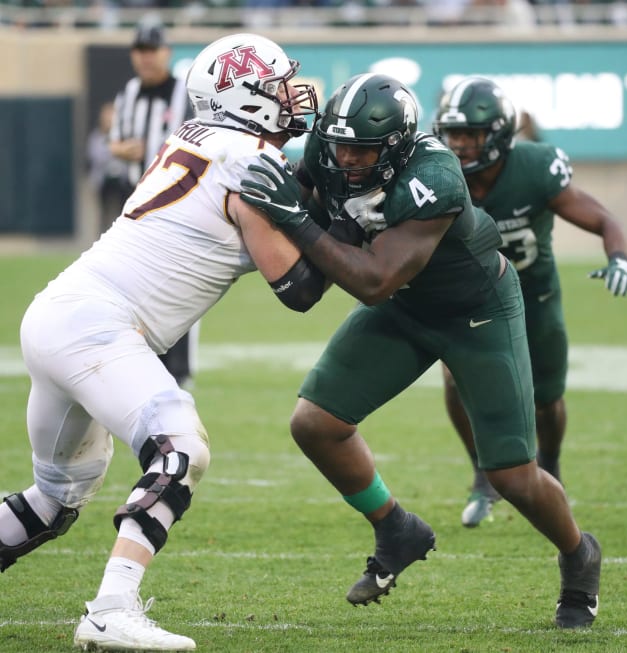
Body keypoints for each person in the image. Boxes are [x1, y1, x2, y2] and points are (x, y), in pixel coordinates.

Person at [239, 72, 602, 629]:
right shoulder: (328, 148)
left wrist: (290, 217)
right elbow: (317, 250)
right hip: (407, 307)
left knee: (511, 474)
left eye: (363, 150)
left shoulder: (436, 175)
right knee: (315, 423)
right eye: (341, 146)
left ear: (398, 146)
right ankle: (394, 527)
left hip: (474, 310)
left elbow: (374, 279)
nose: (348, 160)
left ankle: (579, 555)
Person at [0, 33, 321, 652]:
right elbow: (298, 286)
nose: (291, 93)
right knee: (181, 450)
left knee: (57, 498)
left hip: (60, 315)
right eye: (278, 82)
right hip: (97, 326)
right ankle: (112, 607)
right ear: (247, 95)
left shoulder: (204, 139)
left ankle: (109, 603)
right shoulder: (249, 159)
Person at [432, 76, 627, 527]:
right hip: (470, 300)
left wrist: (619, 259)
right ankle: (483, 474)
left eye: (471, 134)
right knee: (454, 383)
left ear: (500, 135)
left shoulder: (534, 167)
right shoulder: (437, 171)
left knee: (546, 400)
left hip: (534, 294)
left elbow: (602, 217)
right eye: (454, 133)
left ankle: (551, 465)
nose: (460, 144)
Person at [109, 21, 197, 389]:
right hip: (134, 202)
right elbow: (115, 142)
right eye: (141, 51)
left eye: (153, 50)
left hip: (175, 204)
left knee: (181, 286)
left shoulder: (183, 94)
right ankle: (146, 360)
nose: (147, 57)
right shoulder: (127, 93)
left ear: (167, 52)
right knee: (134, 286)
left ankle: (181, 367)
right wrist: (121, 149)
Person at [86, 101, 127, 235]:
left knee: (122, 213)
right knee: (104, 215)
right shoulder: (97, 136)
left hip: (121, 182)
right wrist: (116, 151)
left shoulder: (124, 134)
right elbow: (96, 156)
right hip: (103, 182)